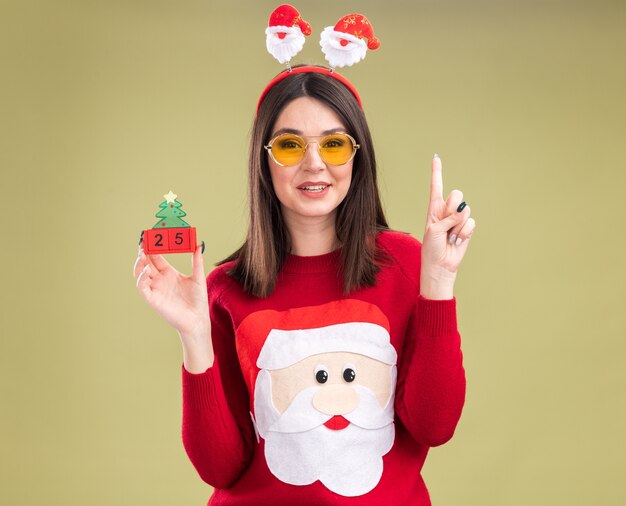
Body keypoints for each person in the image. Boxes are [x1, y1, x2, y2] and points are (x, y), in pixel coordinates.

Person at [134, 64, 476, 505]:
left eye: (333, 145)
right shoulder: (222, 289)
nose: (314, 163)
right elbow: (219, 468)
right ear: (265, 159)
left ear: (357, 156)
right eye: (290, 145)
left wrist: (439, 281)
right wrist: (193, 334)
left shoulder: (410, 263)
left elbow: (435, 425)